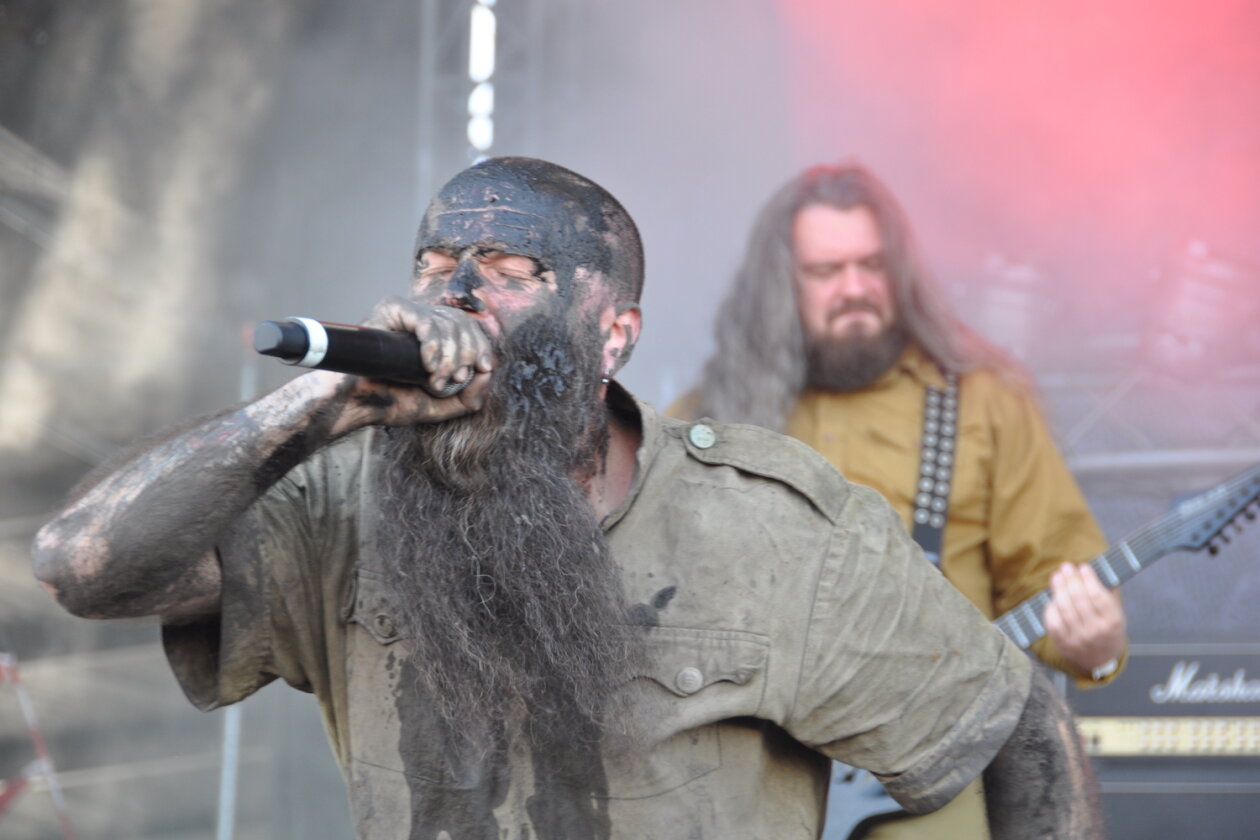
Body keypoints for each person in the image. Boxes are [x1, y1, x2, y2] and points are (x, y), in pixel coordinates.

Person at [33, 157, 1101, 840]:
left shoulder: (769, 529)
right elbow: (85, 568)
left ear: (614, 334)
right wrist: (312, 406)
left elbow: (1018, 729)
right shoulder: (334, 501)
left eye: (507, 271)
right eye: (436, 263)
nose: (455, 295)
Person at [673, 161, 1126, 839]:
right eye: (826, 272)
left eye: (872, 265)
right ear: (779, 285)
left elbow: (1057, 581)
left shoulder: (985, 400)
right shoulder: (702, 422)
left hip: (931, 790)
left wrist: (1100, 645)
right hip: (746, 788)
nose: (855, 289)